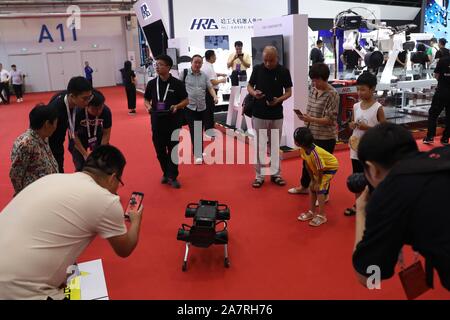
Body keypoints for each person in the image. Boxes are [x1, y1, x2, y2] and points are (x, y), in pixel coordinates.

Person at [0, 145, 144, 299]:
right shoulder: (105, 200)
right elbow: (125, 249)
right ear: (112, 177)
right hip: (18, 288)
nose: (117, 188)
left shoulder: (53, 178)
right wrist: (136, 220)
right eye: (119, 182)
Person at [352, 123, 450, 291]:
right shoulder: (443, 155)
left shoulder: (389, 195)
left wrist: (361, 211)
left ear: (372, 169)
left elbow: (369, 278)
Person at [290, 63, 339, 198]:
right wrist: (305, 118)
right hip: (310, 133)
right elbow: (310, 109)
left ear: (324, 79)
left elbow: (330, 120)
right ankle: (304, 186)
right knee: (306, 163)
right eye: (312, 80)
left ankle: (324, 193)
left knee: (321, 167)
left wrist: (310, 118)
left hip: (325, 136)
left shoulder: (333, 94)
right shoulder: (313, 89)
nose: (314, 83)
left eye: (316, 80)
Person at [247, 46, 292, 188]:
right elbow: (249, 85)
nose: (267, 63)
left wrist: (278, 100)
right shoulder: (257, 69)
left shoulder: (284, 71)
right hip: (259, 113)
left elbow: (289, 92)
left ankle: (276, 174)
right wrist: (254, 93)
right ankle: (259, 176)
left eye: (271, 61)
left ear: (276, 58)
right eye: (265, 60)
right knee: (260, 145)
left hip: (276, 114)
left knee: (274, 145)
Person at [144, 54, 189, 188]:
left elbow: (186, 100)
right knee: (160, 151)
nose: (157, 67)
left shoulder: (177, 83)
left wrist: (177, 106)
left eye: (161, 65)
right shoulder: (152, 83)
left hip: (173, 121)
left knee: (173, 150)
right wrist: (149, 107)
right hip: (157, 121)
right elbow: (146, 99)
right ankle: (166, 172)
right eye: (156, 64)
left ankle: (172, 176)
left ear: (168, 67)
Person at [344, 72, 385, 216]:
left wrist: (366, 128)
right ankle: (358, 205)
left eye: (363, 89)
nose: (359, 92)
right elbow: (353, 125)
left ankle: (372, 205)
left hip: (371, 149)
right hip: (355, 147)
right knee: (357, 177)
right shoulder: (356, 106)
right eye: (358, 89)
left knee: (371, 178)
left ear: (372, 89)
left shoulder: (378, 108)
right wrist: (352, 125)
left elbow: (384, 130)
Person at [10, 104, 59, 195]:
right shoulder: (26, 145)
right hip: (35, 194)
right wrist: (22, 196)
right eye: (56, 123)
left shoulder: (43, 136)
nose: (56, 127)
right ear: (47, 124)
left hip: (48, 189)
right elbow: (16, 175)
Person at [47, 76, 93, 173]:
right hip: (49, 144)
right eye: (84, 99)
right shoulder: (56, 109)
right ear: (72, 96)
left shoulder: (72, 101)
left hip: (59, 141)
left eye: (89, 97)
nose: (88, 102)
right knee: (54, 173)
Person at [295, 127, 338, 227]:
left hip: (329, 167)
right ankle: (312, 211)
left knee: (320, 189)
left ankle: (322, 215)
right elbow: (307, 165)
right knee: (311, 187)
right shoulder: (303, 149)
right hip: (320, 168)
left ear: (297, 143)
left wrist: (318, 182)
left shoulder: (315, 154)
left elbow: (320, 169)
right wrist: (312, 180)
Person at [184, 54, 219, 165]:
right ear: (191, 62)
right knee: (195, 130)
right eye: (196, 62)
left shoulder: (204, 75)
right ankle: (198, 154)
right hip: (189, 107)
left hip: (202, 107)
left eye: (200, 62)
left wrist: (215, 96)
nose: (197, 64)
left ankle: (199, 151)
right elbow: (179, 87)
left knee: (200, 129)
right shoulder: (184, 74)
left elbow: (210, 87)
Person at [69, 89, 112, 171]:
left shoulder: (106, 111)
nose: (98, 111)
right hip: (79, 137)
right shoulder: (76, 112)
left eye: (100, 108)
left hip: (97, 135)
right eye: (95, 109)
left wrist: (101, 151)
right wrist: (85, 154)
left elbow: (106, 133)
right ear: (87, 105)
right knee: (81, 166)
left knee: (104, 161)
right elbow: (74, 135)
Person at [423, 54, 450, 145]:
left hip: (442, 92)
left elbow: (436, 75)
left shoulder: (442, 60)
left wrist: (443, 80)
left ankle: (430, 136)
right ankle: (445, 138)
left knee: (433, 114)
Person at [201, 50, 227, 136]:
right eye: (215, 56)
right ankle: (209, 130)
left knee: (208, 110)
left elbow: (212, 75)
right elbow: (212, 82)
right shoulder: (208, 67)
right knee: (209, 111)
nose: (216, 57)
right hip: (209, 92)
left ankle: (209, 128)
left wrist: (219, 74)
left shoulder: (206, 65)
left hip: (206, 91)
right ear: (211, 57)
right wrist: (222, 80)